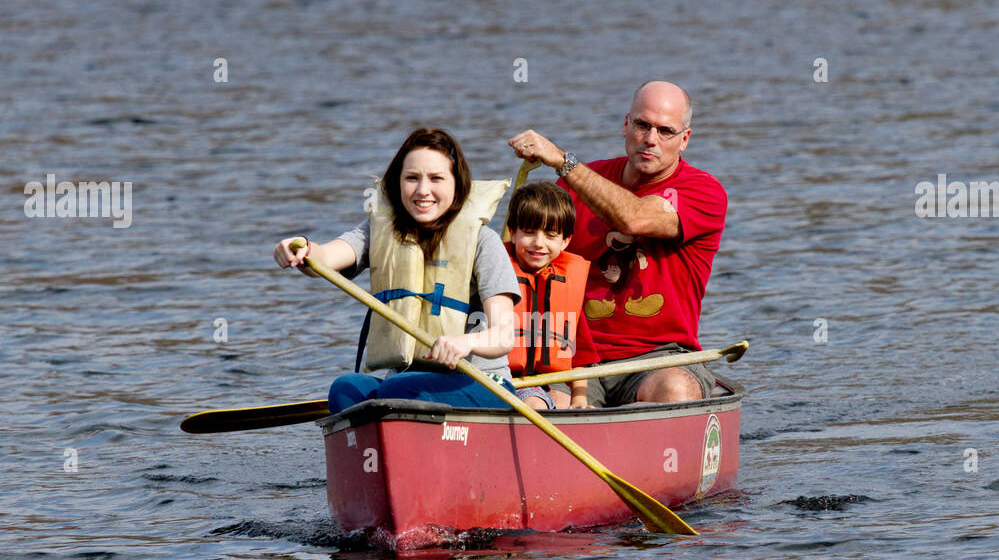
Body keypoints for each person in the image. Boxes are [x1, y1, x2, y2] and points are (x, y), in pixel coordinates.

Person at [507, 81, 728, 407]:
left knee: (677, 390)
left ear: (685, 140)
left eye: (665, 131)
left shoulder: (705, 192)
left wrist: (561, 161)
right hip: (574, 353)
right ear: (626, 124)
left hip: (659, 358)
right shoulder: (574, 185)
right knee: (547, 403)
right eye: (642, 125)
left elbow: (634, 219)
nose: (650, 139)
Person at [273, 128, 520, 412]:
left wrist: (466, 342)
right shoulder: (380, 233)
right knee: (346, 388)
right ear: (397, 183)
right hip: (406, 381)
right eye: (412, 178)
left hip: (481, 382)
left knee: (397, 390)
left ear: (457, 184)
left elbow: (503, 336)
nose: (422, 190)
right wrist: (301, 247)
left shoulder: (483, 241)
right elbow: (325, 257)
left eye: (436, 178)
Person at [503, 182, 598, 409]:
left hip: (534, 383)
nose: (538, 243)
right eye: (528, 232)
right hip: (491, 378)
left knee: (548, 403)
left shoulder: (566, 286)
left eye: (550, 235)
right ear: (512, 233)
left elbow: (580, 356)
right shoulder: (492, 271)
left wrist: (580, 399)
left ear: (565, 241)